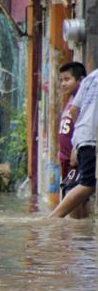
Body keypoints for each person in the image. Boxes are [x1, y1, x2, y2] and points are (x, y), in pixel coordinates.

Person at [49, 65, 98, 218]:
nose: (63, 83)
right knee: (87, 185)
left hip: (82, 137)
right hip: (91, 138)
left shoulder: (91, 77)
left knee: (80, 186)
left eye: (66, 79)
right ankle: (53, 218)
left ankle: (77, 230)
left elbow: (74, 110)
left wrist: (76, 141)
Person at [57, 62, 88, 218]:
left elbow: (82, 126)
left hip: (76, 159)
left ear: (80, 81)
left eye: (67, 79)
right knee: (72, 198)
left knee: (75, 199)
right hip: (65, 160)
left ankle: (80, 238)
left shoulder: (83, 102)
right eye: (61, 80)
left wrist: (76, 148)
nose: (63, 84)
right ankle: (78, 236)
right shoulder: (70, 100)